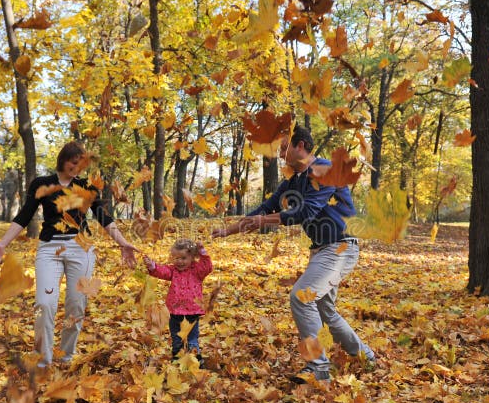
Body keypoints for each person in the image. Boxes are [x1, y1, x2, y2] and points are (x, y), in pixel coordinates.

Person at [212, 125, 375, 383]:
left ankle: (319, 368)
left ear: (300, 146)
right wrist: (228, 230)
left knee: (301, 297)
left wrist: (263, 221)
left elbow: (304, 212)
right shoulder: (294, 181)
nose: (280, 153)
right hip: (322, 250)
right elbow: (267, 207)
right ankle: (364, 355)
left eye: (284, 147)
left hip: (340, 247)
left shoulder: (323, 170)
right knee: (326, 310)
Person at [0, 141, 137, 368]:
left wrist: (123, 242)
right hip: (49, 249)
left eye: (81, 164)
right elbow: (24, 216)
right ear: (63, 160)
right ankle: (43, 359)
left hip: (81, 249)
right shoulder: (42, 184)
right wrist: (2, 243)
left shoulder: (88, 187)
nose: (76, 168)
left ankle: (66, 357)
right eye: (73, 163)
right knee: (44, 304)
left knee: (76, 305)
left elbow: (104, 218)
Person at [143, 239, 213, 365]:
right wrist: (152, 265)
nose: (179, 261)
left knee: (192, 338)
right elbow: (162, 271)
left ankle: (195, 359)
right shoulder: (173, 270)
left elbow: (207, 267)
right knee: (176, 337)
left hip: (192, 311)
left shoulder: (197, 270)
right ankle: (177, 356)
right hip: (175, 311)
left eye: (184, 258)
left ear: (192, 257)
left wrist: (202, 252)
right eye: (176, 258)